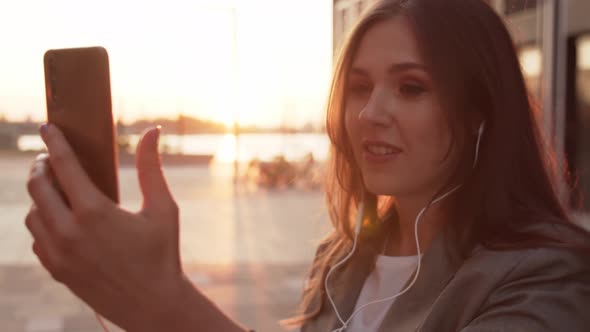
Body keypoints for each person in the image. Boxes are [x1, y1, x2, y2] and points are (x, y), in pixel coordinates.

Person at [25, 0, 590, 331]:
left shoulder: (544, 281)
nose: (370, 113)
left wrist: (166, 307)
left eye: (411, 87)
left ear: (477, 113)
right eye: (359, 87)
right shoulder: (342, 257)